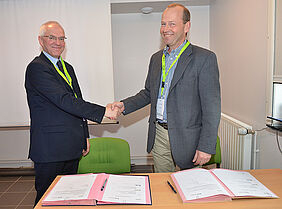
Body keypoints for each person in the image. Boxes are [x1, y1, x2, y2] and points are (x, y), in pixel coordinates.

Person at [111, 3, 221, 172]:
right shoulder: (156, 58)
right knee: (164, 186)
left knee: (190, 189)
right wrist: (124, 105)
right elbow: (148, 93)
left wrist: (206, 145)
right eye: (163, 23)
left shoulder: (204, 58)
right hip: (159, 133)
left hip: (188, 137)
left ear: (187, 26)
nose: (165, 29)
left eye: (172, 24)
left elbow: (211, 107)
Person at [25, 21, 119, 206]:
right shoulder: (37, 68)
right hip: (50, 151)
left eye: (61, 38)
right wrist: (104, 111)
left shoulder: (67, 68)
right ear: (40, 40)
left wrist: (84, 136)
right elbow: (64, 100)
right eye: (52, 37)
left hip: (71, 147)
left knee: (69, 198)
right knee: (47, 200)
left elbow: (77, 102)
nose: (58, 42)